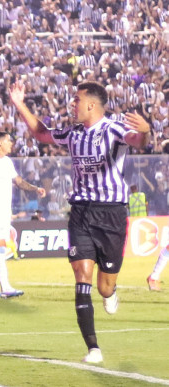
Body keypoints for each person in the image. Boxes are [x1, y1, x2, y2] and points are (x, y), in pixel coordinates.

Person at [10, 81, 150, 364]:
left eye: (76, 100)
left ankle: (110, 293)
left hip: (112, 214)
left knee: (104, 287)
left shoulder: (113, 129)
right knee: (81, 275)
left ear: (91, 105)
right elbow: (41, 133)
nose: (71, 104)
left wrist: (145, 131)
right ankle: (93, 348)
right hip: (81, 213)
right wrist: (19, 104)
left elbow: (138, 141)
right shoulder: (73, 133)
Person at [0, 132, 45, 299]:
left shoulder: (7, 162)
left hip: (5, 211)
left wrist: (35, 189)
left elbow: (18, 182)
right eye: (8, 141)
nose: (11, 144)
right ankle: (5, 287)